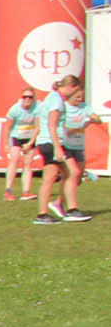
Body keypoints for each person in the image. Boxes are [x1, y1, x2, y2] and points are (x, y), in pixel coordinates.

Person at [34, 75, 98, 224]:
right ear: (71, 86)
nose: (76, 94)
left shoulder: (54, 97)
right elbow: (52, 124)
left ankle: (64, 210)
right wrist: (57, 147)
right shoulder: (56, 99)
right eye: (76, 90)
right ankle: (51, 213)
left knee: (69, 173)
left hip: (50, 141)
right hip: (51, 142)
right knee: (61, 175)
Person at [4, 88, 44, 202]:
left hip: (29, 137)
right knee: (14, 160)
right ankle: (8, 191)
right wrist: (6, 144)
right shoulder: (15, 109)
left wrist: (31, 142)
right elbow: (7, 128)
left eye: (30, 97)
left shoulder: (37, 108)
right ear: (21, 98)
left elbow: (38, 127)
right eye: (25, 97)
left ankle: (26, 192)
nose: (27, 99)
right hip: (16, 136)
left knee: (28, 163)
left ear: (33, 98)